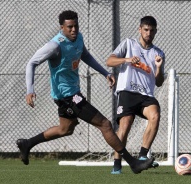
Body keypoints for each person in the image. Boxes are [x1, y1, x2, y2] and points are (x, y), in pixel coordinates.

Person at [16, 10, 154, 174]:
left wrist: (106, 73)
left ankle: (27, 144)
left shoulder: (78, 38)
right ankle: (133, 163)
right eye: (69, 27)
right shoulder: (55, 45)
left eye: (76, 26)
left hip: (72, 94)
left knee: (66, 128)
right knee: (105, 124)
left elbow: (86, 56)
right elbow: (31, 63)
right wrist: (30, 90)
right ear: (62, 28)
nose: (74, 30)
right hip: (68, 97)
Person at [106, 15, 165, 174]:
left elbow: (159, 82)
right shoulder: (129, 43)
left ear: (155, 31)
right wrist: (126, 60)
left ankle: (142, 156)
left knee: (155, 116)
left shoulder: (158, 53)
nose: (148, 33)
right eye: (146, 30)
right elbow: (109, 61)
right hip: (127, 91)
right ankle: (117, 165)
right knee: (125, 125)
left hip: (145, 95)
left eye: (152, 30)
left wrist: (159, 67)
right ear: (140, 29)